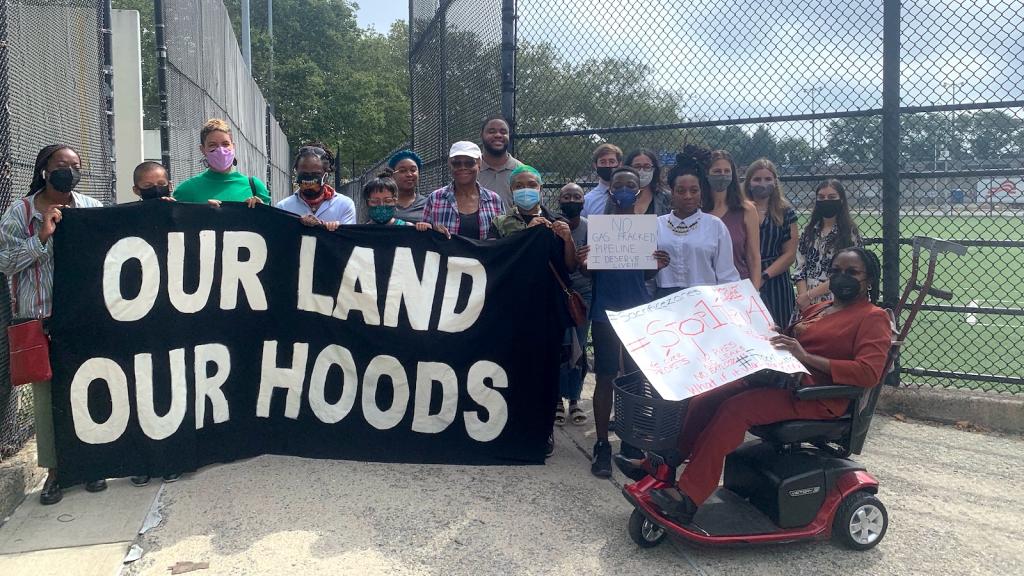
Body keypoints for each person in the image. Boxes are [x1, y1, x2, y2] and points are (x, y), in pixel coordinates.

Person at [641, 248, 892, 525]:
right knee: (709, 397)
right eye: (835, 271)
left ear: (868, 280)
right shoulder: (822, 307)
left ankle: (689, 496)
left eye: (851, 272)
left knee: (735, 409)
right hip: (785, 381)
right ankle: (663, 464)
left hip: (817, 396)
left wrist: (806, 358)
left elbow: (869, 373)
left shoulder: (873, 317)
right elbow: (793, 342)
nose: (841, 277)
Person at [0, 144, 105, 504]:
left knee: (88, 389)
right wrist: (41, 236)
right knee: (47, 401)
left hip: (85, 315)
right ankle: (55, 472)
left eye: (75, 166)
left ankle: (89, 464)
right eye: (62, 165)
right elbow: (6, 262)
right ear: (44, 169)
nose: (69, 171)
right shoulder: (21, 211)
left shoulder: (91, 208)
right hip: (41, 317)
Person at [579, 166, 670, 478]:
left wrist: (657, 266)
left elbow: (644, 274)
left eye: (630, 184)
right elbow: (592, 273)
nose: (624, 189)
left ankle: (631, 441)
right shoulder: (599, 228)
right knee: (605, 374)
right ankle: (602, 443)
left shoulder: (648, 227)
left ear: (639, 188)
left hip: (637, 310)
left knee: (633, 377)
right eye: (619, 185)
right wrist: (585, 263)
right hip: (606, 309)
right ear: (610, 191)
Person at [487, 165, 577, 457]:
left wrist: (568, 240)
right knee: (512, 367)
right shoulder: (500, 223)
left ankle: (543, 432)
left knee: (547, 370)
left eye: (532, 184)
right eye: (520, 185)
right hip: (512, 306)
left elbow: (570, 267)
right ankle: (510, 427)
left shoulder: (557, 221)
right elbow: (494, 258)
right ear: (512, 191)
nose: (526, 189)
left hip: (548, 307)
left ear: (541, 188)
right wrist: (527, 233)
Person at [655, 145, 739, 298]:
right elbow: (647, 276)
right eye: (681, 191)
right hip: (664, 302)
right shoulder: (657, 225)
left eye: (694, 190)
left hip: (705, 301)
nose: (688, 196)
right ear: (672, 192)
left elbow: (726, 274)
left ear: (701, 191)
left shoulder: (715, 226)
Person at [794, 179, 863, 310]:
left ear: (841, 200)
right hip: (806, 302)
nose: (826, 201)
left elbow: (846, 274)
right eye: (821, 197)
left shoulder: (850, 234)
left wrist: (810, 295)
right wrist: (804, 299)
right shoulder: (808, 232)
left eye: (832, 197)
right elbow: (800, 269)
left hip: (837, 300)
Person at [745, 158, 798, 326]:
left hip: (776, 279)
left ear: (775, 182)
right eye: (757, 179)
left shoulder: (785, 212)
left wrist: (764, 276)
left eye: (768, 179)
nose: (763, 183)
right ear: (749, 182)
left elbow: (789, 254)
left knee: (779, 330)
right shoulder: (738, 209)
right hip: (744, 275)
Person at [172, 118, 271, 206]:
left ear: (233, 146)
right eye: (212, 145)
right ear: (202, 149)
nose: (220, 150)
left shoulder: (254, 186)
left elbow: (270, 224)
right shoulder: (187, 190)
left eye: (225, 144)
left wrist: (262, 210)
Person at [555, 183, 590, 427]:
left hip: (584, 294)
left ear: (584, 201)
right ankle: (557, 398)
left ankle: (575, 399)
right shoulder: (553, 225)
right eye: (566, 196)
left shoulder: (591, 227)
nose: (571, 199)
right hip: (558, 293)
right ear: (559, 200)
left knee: (578, 350)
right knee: (561, 348)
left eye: (576, 196)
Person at [422, 141, 504, 239]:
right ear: (450, 165)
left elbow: (504, 237)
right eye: (456, 163)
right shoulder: (435, 199)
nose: (463, 167)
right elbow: (424, 237)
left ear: (479, 164)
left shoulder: (494, 200)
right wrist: (432, 231)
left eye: (469, 163)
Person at [705, 150, 762, 287]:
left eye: (727, 171)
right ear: (706, 174)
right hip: (704, 289)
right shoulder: (696, 211)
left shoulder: (747, 210)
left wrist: (754, 291)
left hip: (737, 288)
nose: (723, 175)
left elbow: (753, 257)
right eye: (717, 171)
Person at [276, 146, 357, 228]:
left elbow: (349, 238)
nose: (309, 180)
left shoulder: (344, 205)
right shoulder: (283, 208)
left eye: (315, 174)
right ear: (297, 173)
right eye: (304, 175)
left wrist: (326, 227)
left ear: (326, 175)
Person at [477, 115, 521, 207]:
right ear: (481, 135)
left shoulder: (522, 171)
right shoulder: (470, 170)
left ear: (509, 136)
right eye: (491, 131)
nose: (498, 135)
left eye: (503, 132)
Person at [623, 149, 671, 216]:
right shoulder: (616, 196)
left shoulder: (665, 198)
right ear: (628, 168)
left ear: (654, 170)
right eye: (637, 166)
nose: (642, 171)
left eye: (647, 167)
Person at [581, 143, 622, 217]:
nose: (607, 165)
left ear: (620, 165)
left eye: (612, 162)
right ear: (595, 166)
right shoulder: (587, 201)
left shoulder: (632, 196)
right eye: (603, 162)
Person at [387, 149, 427, 222]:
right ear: (392, 175)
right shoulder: (384, 203)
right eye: (402, 171)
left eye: (413, 170)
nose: (409, 174)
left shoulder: (428, 204)